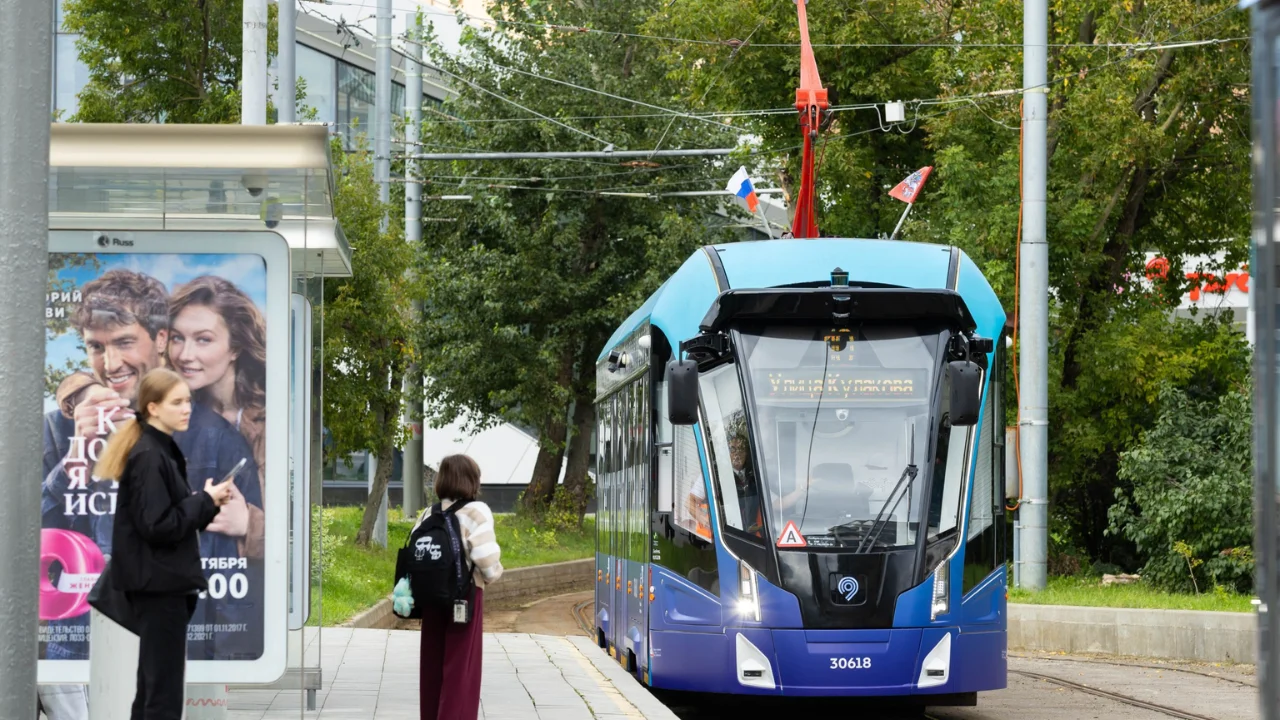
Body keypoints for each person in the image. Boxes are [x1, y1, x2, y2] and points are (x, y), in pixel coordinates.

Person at [41, 269, 264, 662]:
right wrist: (76, 458)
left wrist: (225, 657)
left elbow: (228, 570)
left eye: (125, 342)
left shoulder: (216, 437)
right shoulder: (61, 428)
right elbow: (29, 537)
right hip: (77, 647)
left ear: (160, 340)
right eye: (95, 346)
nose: (110, 363)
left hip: (177, 643)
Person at [94, 368, 235, 720]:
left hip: (160, 584)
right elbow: (158, 525)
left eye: (188, 400)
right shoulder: (150, 455)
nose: (187, 408)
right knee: (163, 694)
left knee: (152, 688)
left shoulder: (156, 449)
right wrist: (203, 500)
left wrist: (207, 502)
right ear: (153, 407)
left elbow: (165, 520)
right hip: (160, 587)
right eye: (177, 402)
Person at [166, 275, 267, 558]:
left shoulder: (270, 419)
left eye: (203, 340)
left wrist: (250, 524)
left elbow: (295, 526)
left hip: (243, 590)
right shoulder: (167, 414)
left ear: (235, 347)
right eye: (177, 338)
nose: (185, 354)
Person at [416, 454, 503, 720]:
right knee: (460, 668)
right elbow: (486, 560)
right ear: (472, 480)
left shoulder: (429, 512)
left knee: (431, 665)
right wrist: (492, 575)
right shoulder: (477, 511)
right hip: (464, 598)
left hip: (431, 598)